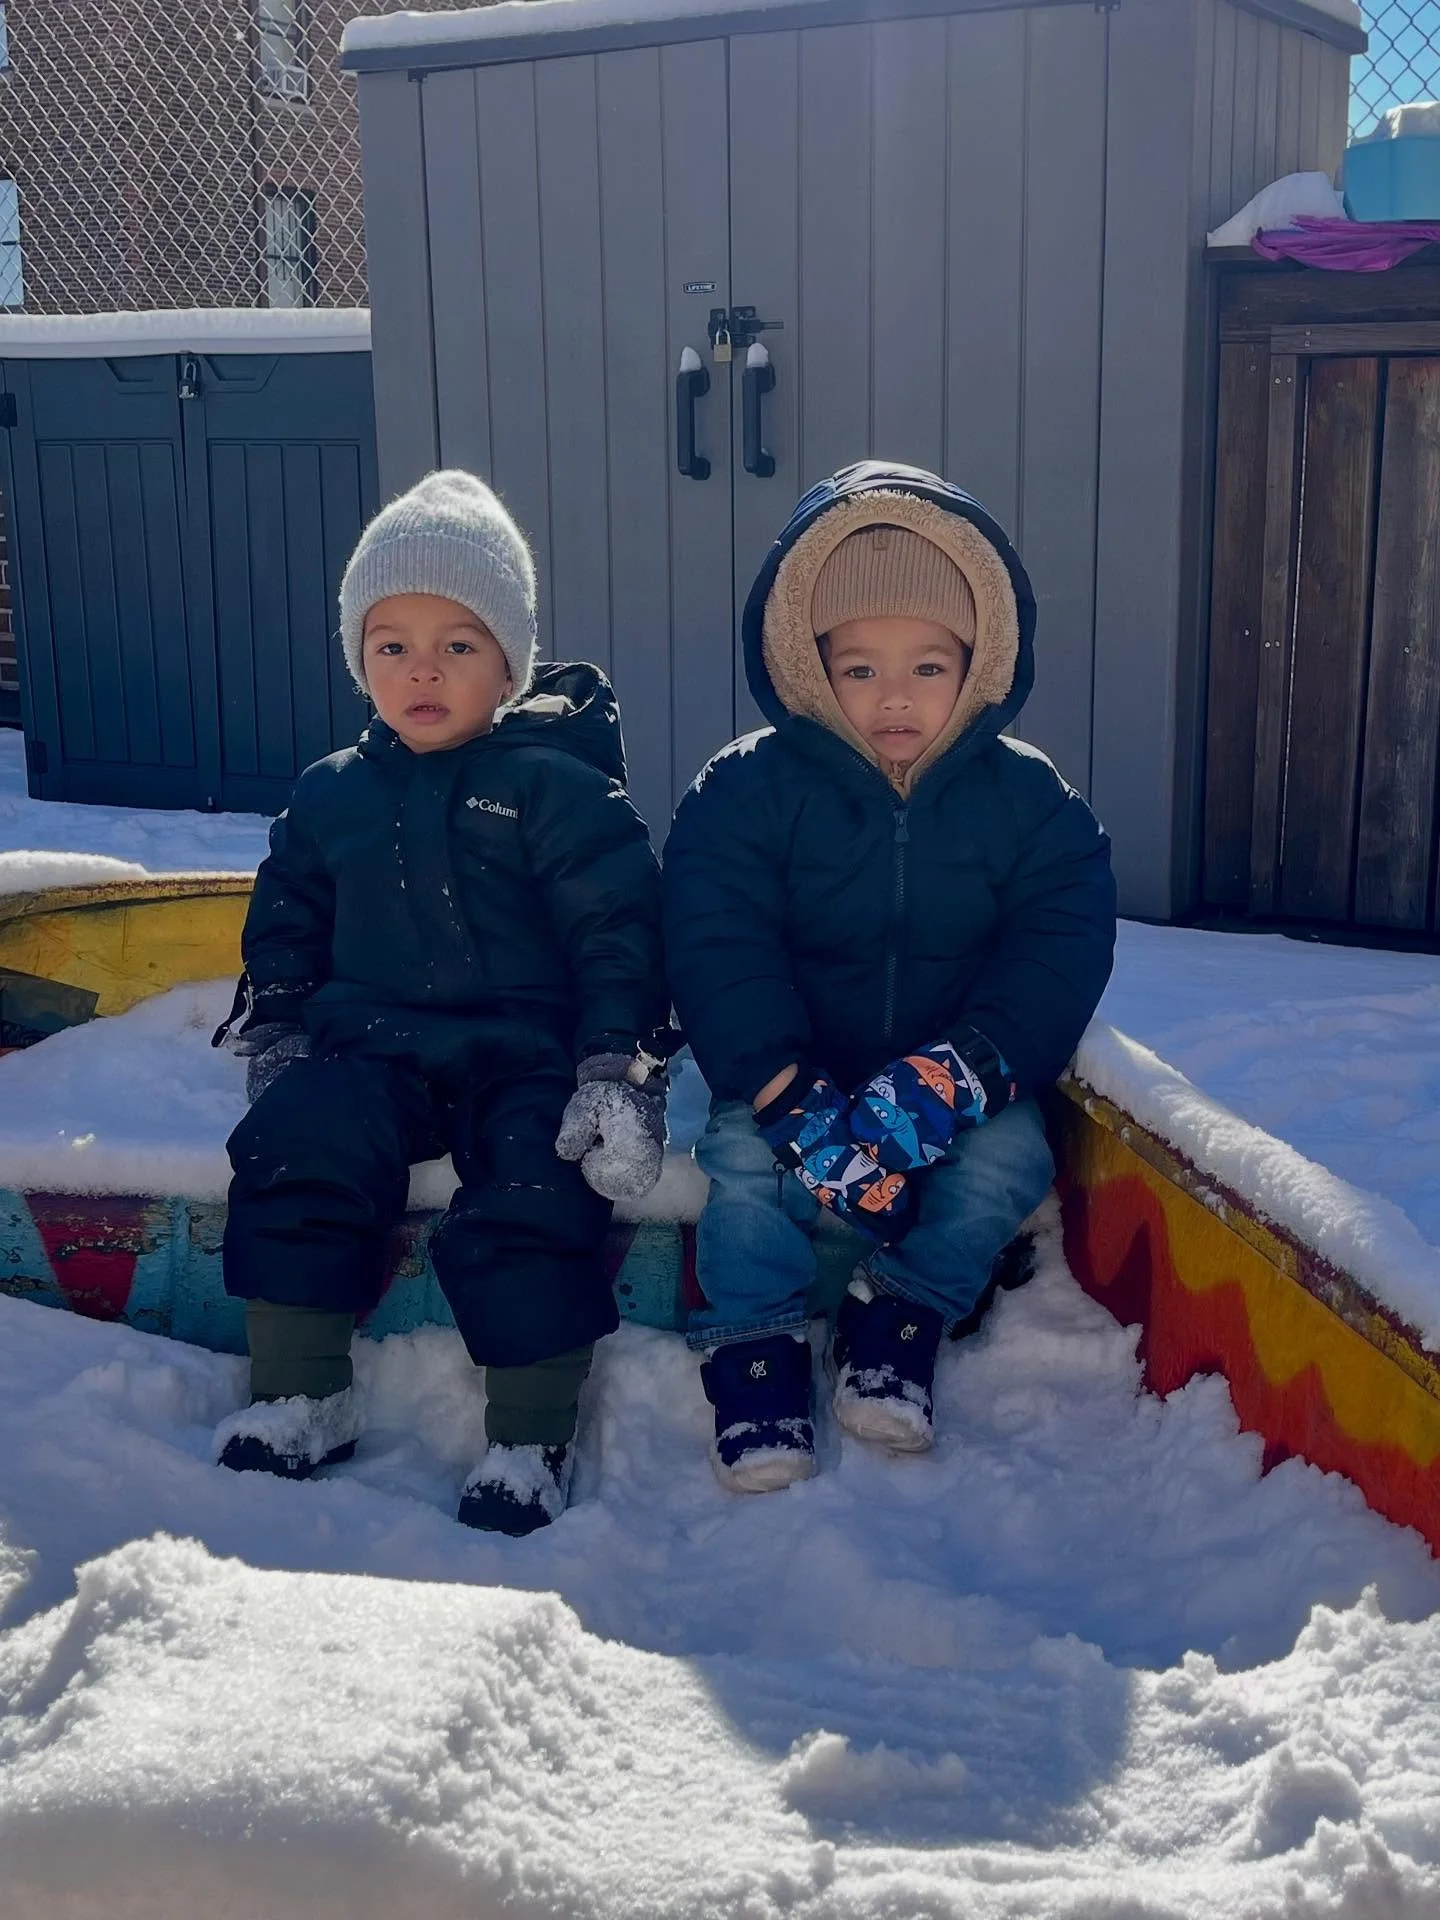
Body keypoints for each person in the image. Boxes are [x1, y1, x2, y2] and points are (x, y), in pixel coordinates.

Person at [211, 470, 670, 1535]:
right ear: (358, 659)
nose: (421, 669)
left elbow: (618, 928)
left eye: (458, 644)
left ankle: (529, 1433)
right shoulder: (331, 792)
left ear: (509, 664)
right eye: (391, 645)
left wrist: (616, 1062)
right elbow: (287, 915)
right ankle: (301, 1391)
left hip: (524, 1049)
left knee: (537, 1179)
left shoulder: (557, 788)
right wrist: (280, 1022)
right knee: (299, 1141)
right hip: (370, 1045)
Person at [663, 460, 1117, 1494]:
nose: (895, 696)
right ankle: (754, 1344)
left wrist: (968, 1073)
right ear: (811, 666)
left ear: (979, 662)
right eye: (860, 668)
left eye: (928, 665)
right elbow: (716, 939)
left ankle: (902, 1308)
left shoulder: (1030, 803)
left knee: (1010, 1160)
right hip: (791, 1065)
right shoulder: (747, 790)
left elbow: (1060, 943)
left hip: (951, 1074)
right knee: (745, 1164)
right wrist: (780, 1085)